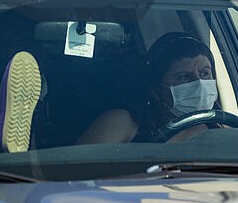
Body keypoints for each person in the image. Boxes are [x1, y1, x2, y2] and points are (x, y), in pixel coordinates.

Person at [77, 32, 219, 144]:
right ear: (156, 89)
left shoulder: (224, 130)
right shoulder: (123, 123)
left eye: (204, 73)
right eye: (184, 77)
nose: (199, 83)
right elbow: (79, 174)